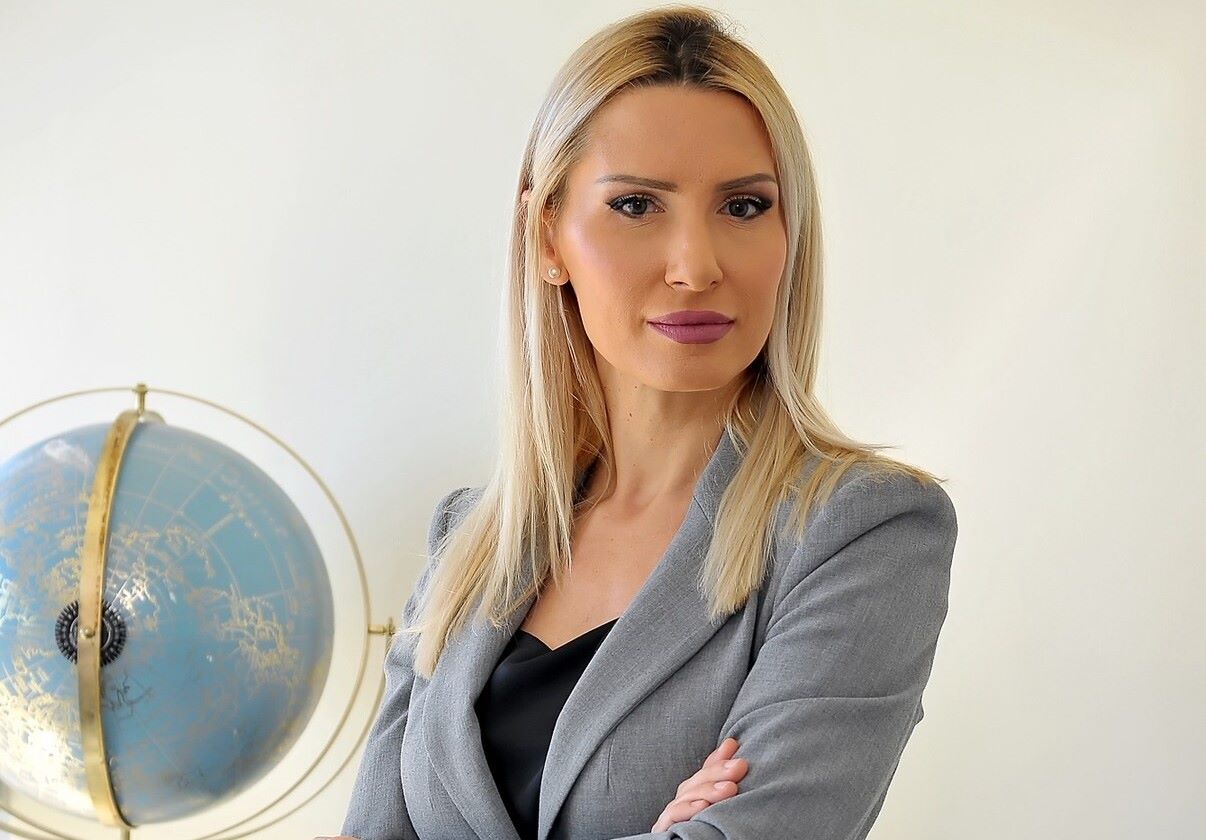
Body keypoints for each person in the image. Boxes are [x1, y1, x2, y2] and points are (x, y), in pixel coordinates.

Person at [326, 4, 957, 839]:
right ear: (547, 236)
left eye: (743, 206)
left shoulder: (862, 528)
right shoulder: (467, 544)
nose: (695, 266)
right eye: (635, 205)